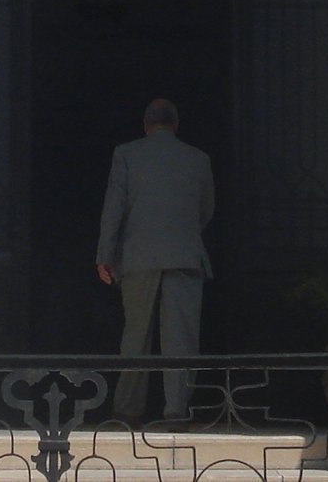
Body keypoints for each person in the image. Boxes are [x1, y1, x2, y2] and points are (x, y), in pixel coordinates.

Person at [95, 97, 215, 421]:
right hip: (185, 257)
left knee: (135, 337)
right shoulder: (198, 159)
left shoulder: (127, 155)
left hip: (138, 257)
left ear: (145, 125)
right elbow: (205, 210)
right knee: (181, 340)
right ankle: (176, 409)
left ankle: (128, 411)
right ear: (176, 125)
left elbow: (113, 209)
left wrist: (105, 255)